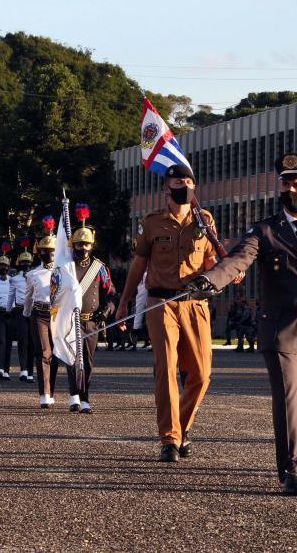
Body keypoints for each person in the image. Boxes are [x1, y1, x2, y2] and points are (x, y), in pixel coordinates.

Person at [191, 152, 297, 495]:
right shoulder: (264, 229)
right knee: (289, 398)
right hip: (279, 330)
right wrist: (210, 280)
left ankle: (296, 458)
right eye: (284, 183)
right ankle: (291, 467)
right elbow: (238, 259)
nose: (289, 189)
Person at [116, 163, 218, 461]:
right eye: (177, 181)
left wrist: (225, 273)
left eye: (187, 180)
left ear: (194, 187)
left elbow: (211, 260)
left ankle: (182, 427)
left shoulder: (205, 220)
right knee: (166, 370)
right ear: (166, 188)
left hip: (196, 303)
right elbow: (138, 264)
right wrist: (124, 301)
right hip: (161, 304)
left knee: (201, 374)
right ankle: (170, 438)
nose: (182, 185)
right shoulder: (152, 223)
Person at [68, 204, 116, 414]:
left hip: (91, 320)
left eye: (87, 245)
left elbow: (111, 294)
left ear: (92, 246)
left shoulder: (100, 268)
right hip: (70, 319)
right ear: (73, 245)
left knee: (87, 360)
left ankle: (85, 394)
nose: (83, 249)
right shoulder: (66, 267)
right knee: (73, 358)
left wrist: (106, 311)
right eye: (79, 245)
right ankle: (76, 396)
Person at [23, 221, 58, 408]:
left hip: (57, 315)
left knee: (55, 354)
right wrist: (26, 315)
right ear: (39, 253)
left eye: (51, 250)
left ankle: (51, 389)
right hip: (39, 314)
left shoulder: (63, 271)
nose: (48, 254)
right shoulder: (33, 274)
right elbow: (28, 297)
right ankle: (44, 393)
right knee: (44, 352)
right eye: (44, 251)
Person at [8, 251, 35, 382]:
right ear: (19, 264)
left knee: (32, 342)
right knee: (23, 340)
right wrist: (9, 310)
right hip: (20, 310)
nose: (26, 265)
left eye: (28, 262)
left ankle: (30, 371)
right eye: (24, 262)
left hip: (33, 311)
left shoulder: (36, 276)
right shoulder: (14, 279)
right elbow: (11, 295)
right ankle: (23, 370)